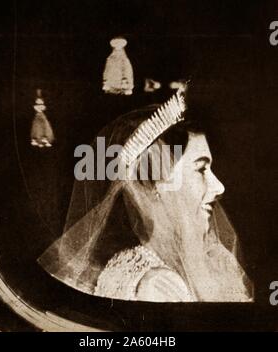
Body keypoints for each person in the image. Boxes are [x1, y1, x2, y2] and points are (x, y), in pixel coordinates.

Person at [38, 83, 253, 302]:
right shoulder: (159, 286)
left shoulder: (152, 266)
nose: (219, 186)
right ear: (157, 185)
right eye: (201, 169)